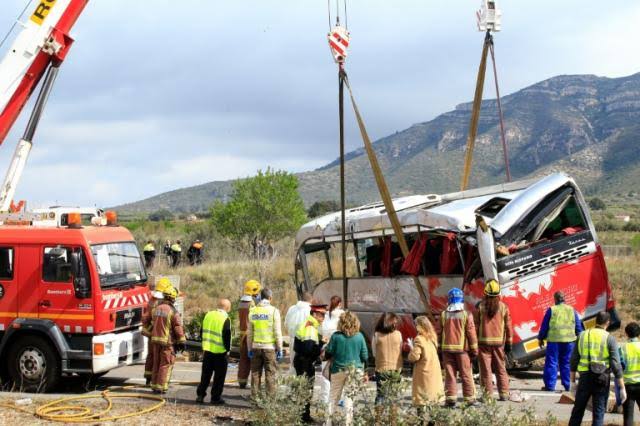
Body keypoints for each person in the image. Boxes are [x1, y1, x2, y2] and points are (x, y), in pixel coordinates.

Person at [568, 311, 625, 426]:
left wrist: (572, 382)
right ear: (607, 323)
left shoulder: (582, 335)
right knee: (598, 413)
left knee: (577, 411)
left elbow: (574, 360)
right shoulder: (610, 338)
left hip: (584, 378)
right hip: (601, 379)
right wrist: (622, 387)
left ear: (595, 321)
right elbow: (615, 365)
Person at [324, 311, 368, 425]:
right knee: (349, 399)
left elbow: (328, 353)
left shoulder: (336, 336)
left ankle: (328, 422)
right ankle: (348, 423)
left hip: (338, 369)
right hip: (355, 370)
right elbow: (365, 356)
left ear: (341, 322)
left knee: (333, 397)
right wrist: (365, 371)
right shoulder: (359, 336)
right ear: (355, 322)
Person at [437, 287, 478, 407]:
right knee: (466, 375)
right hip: (462, 351)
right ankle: (469, 400)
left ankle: (450, 400)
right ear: (461, 300)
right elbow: (471, 334)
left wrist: (439, 349)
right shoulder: (466, 315)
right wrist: (474, 351)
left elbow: (438, 333)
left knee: (450, 376)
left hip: (447, 350)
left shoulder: (443, 315)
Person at [538, 291, 584, 392]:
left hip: (554, 341)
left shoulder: (552, 310)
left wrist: (541, 338)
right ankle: (568, 386)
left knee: (552, 363)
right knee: (566, 363)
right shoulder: (572, 310)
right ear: (564, 299)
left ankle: (550, 386)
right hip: (569, 342)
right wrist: (580, 338)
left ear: (555, 299)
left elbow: (544, 326)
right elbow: (578, 326)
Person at [475, 279, 513, 401]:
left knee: (486, 371)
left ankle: (487, 396)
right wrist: (509, 343)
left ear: (485, 293)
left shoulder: (480, 307)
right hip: (498, 344)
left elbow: (475, 326)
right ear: (498, 294)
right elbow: (508, 326)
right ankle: (504, 393)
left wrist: (473, 343)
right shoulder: (504, 308)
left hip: (483, 343)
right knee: (501, 369)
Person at [149, 285, 186, 394]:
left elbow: (153, 323)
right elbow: (177, 327)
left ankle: (154, 385)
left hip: (155, 341)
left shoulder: (156, 308)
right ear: (172, 298)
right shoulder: (172, 311)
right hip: (167, 342)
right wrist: (182, 341)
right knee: (166, 364)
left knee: (157, 363)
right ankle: (161, 386)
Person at [294, 304, 327, 423]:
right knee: (306, 389)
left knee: (302, 388)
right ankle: (304, 417)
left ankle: (302, 415)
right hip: (305, 362)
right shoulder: (310, 328)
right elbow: (309, 350)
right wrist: (321, 345)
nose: (323, 317)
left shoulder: (307, 324)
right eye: (321, 315)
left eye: (324, 315)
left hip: (301, 360)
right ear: (314, 314)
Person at [247, 288, 283, 398]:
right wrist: (279, 348)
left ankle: (255, 399)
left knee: (255, 374)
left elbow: (249, 333)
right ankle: (270, 401)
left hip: (256, 347)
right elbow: (277, 332)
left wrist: (249, 349)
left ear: (260, 297)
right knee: (270, 374)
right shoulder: (273, 311)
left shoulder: (253, 311)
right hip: (269, 348)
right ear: (270, 298)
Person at [196, 298, 232, 405]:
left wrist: (205, 344)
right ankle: (215, 398)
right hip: (220, 352)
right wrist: (228, 350)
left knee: (205, 375)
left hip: (208, 350)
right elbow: (227, 335)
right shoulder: (226, 318)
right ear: (227, 308)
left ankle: (200, 395)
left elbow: (202, 331)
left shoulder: (208, 315)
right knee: (219, 377)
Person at [371, 312, 403, 423]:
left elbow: (374, 353)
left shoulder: (376, 335)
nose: (396, 323)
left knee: (380, 395)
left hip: (381, 368)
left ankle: (377, 421)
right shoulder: (398, 334)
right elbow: (400, 350)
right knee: (394, 396)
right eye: (395, 321)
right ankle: (393, 421)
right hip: (396, 368)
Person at [408, 316, 444, 409]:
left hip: (424, 372)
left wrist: (411, 349)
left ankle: (421, 422)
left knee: (422, 400)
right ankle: (432, 422)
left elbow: (414, 357)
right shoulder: (432, 337)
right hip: (434, 371)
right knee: (433, 399)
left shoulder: (419, 339)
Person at [142, 277, 171, 385]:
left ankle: (148, 379)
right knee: (161, 357)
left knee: (151, 355)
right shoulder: (164, 302)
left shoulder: (152, 299)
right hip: (161, 333)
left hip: (152, 333)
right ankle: (158, 380)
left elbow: (146, 317)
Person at [319, 296, 345, 404]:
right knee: (341, 372)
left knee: (325, 372)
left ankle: (325, 399)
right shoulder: (343, 315)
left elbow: (320, 330)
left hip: (326, 345)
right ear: (339, 304)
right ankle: (340, 398)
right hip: (340, 346)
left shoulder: (325, 315)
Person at [238, 279, 261, 389]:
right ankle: (255, 384)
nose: (258, 295)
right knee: (254, 360)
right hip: (250, 335)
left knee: (243, 359)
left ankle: (242, 381)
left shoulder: (241, 302)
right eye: (257, 293)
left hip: (242, 334)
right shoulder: (252, 304)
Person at [284, 292, 313, 374]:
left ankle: (294, 385)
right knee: (307, 365)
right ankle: (306, 385)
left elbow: (286, 324)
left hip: (293, 339)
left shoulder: (291, 309)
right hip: (307, 340)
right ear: (311, 300)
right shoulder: (311, 310)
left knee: (294, 365)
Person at [621, 321, 640, 426]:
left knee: (628, 416)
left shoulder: (623, 348)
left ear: (626, 334)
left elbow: (619, 367)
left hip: (628, 385)